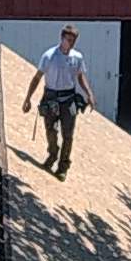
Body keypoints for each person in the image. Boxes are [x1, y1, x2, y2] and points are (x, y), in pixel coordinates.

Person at [34, 27, 91, 174]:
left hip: (68, 99)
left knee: (68, 134)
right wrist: (27, 98)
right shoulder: (49, 56)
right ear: (62, 38)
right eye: (68, 40)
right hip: (51, 97)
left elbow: (80, 76)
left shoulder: (77, 57)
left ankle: (63, 167)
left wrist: (89, 93)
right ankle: (53, 154)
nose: (71, 44)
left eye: (73, 41)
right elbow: (38, 77)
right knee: (51, 130)